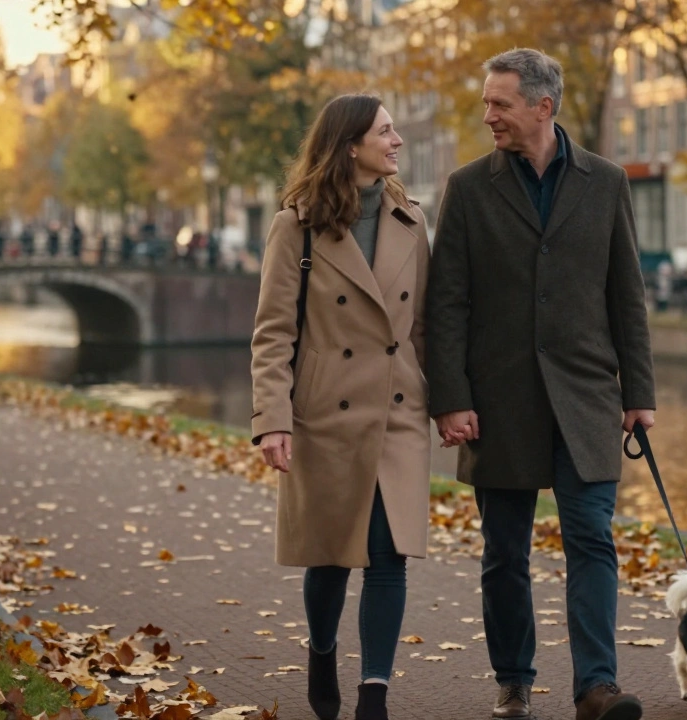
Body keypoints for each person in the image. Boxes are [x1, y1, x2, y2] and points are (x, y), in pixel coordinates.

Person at [426, 49, 655, 720]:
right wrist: (451, 396)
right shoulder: (467, 188)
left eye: (500, 103)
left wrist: (638, 393)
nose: (488, 115)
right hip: (496, 404)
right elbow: (447, 304)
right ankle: (514, 680)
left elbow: (627, 295)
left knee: (591, 536)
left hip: (586, 398)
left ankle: (596, 686)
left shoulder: (606, 182)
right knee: (504, 553)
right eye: (487, 102)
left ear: (541, 107)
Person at [249, 94, 432, 720]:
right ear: (351, 144)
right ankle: (322, 649)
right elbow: (274, 332)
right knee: (330, 556)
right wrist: (272, 418)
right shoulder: (295, 225)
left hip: (398, 408)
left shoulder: (412, 220)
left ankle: (373, 695)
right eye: (386, 131)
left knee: (388, 554)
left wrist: (453, 404)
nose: (398, 140)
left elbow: (426, 326)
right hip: (324, 412)